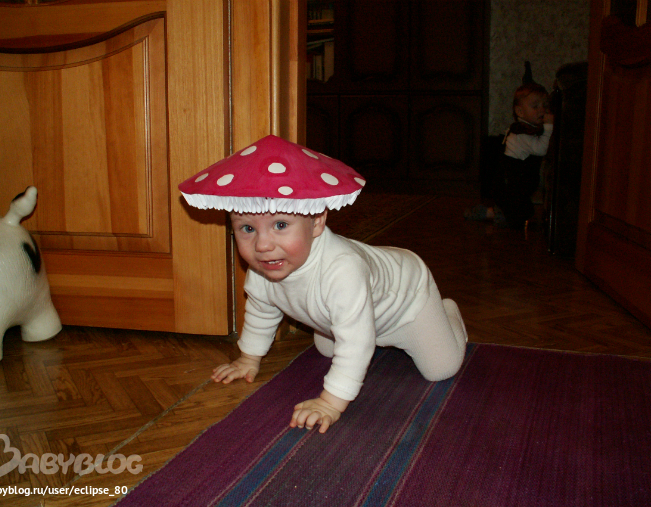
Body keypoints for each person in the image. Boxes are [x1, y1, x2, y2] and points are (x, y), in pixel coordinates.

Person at [178, 135, 468, 434]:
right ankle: (341, 323)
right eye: (247, 228)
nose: (262, 245)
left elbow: (356, 343)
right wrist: (248, 358)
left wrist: (331, 402)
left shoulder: (343, 271)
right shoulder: (264, 266)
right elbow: (262, 311)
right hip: (345, 313)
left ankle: (445, 312)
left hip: (406, 303)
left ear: (317, 222)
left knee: (441, 369)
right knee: (327, 349)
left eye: (280, 225)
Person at [466, 82, 554, 228]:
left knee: (524, 211)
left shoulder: (527, 129)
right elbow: (541, 149)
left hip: (516, 184)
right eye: (535, 106)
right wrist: (549, 126)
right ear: (520, 112)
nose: (542, 110)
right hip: (510, 186)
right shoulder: (521, 134)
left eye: (544, 106)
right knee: (518, 215)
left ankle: (495, 212)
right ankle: (489, 213)